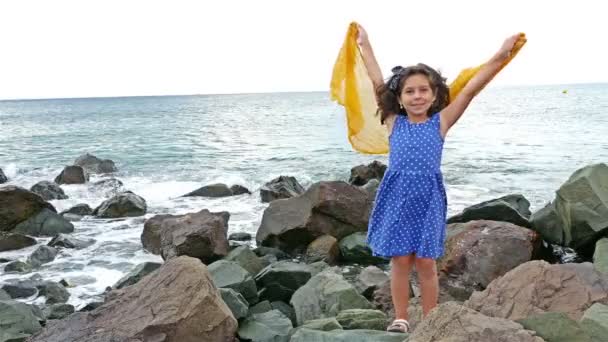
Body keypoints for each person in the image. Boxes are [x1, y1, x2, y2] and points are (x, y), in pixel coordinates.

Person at [357, 23, 522, 333]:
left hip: (428, 198)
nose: (417, 96)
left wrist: (501, 55)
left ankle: (432, 317)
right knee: (401, 262)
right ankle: (401, 317)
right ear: (400, 97)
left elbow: (472, 88)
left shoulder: (441, 122)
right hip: (398, 195)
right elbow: (376, 80)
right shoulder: (394, 122)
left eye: (423, 90)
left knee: (426, 263)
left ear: (434, 96)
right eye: (410, 91)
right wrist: (365, 46)